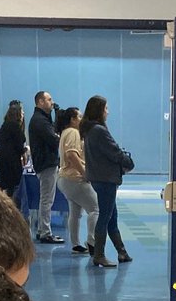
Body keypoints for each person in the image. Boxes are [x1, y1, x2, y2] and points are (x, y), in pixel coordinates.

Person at [81, 95, 133, 268]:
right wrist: (127, 162)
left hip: (98, 178)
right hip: (105, 180)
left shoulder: (89, 130)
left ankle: (122, 252)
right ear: (99, 111)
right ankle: (99, 255)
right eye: (106, 109)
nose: (108, 112)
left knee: (111, 217)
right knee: (105, 217)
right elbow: (114, 151)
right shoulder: (99, 130)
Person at [56, 106, 99, 255]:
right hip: (74, 178)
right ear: (73, 120)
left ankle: (75, 244)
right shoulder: (74, 132)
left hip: (64, 178)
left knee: (75, 212)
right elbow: (72, 155)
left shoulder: (64, 133)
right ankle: (92, 241)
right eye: (79, 117)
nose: (81, 119)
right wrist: (85, 173)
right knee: (95, 208)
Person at [28, 89, 63, 243]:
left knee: (46, 198)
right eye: (49, 99)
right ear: (40, 102)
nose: (52, 102)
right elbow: (54, 139)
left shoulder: (43, 119)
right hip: (46, 163)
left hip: (46, 162)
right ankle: (45, 232)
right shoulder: (39, 121)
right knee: (47, 199)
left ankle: (43, 229)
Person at [0, 100, 26, 198]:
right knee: (14, 188)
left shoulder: (5, 125)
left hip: (3, 160)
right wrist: (26, 150)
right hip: (12, 162)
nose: (23, 114)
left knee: (7, 188)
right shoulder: (15, 127)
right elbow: (19, 146)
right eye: (21, 112)